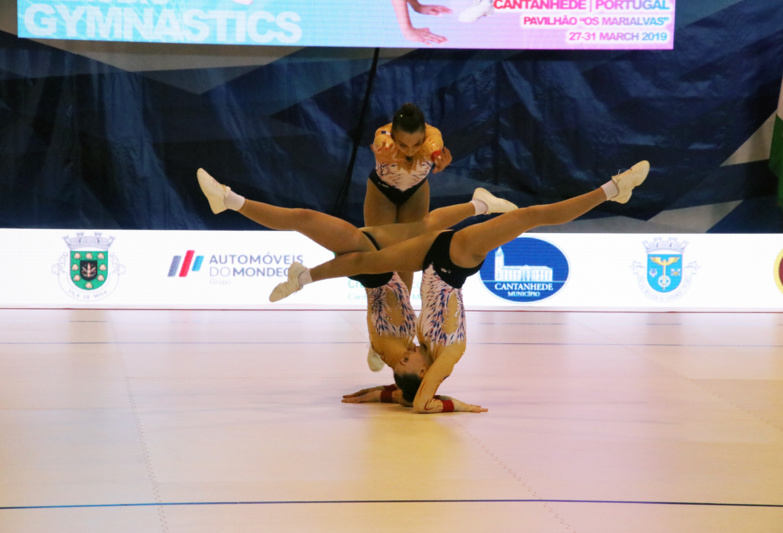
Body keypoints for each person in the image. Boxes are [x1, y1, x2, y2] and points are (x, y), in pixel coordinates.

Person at [269, 161, 651, 414]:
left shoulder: (422, 349)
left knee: (368, 259)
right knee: (530, 217)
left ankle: (303, 279)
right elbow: (421, 404)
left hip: (430, 259)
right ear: (424, 372)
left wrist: (377, 395)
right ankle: (612, 189)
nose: (405, 354)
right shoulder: (448, 357)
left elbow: (406, 396)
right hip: (455, 262)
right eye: (406, 362)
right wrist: (459, 406)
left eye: (399, 359)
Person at [195, 167, 516, 376]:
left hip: (372, 264)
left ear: (409, 367)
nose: (417, 356)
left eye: (412, 364)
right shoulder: (412, 343)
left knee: (305, 219)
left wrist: (382, 359)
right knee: (424, 226)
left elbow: (412, 379)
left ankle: (232, 202)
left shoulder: (395, 347)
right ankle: (482, 205)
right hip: (388, 263)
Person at [367, 102, 451, 293]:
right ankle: (379, 303)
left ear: (424, 136)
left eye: (417, 144)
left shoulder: (432, 135)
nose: (410, 151)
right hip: (382, 191)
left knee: (408, 252)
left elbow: (435, 148)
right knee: (377, 251)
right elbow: (381, 141)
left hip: (415, 192)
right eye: (403, 145)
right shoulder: (384, 134)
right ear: (394, 135)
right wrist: (383, 153)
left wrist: (439, 159)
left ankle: (404, 305)